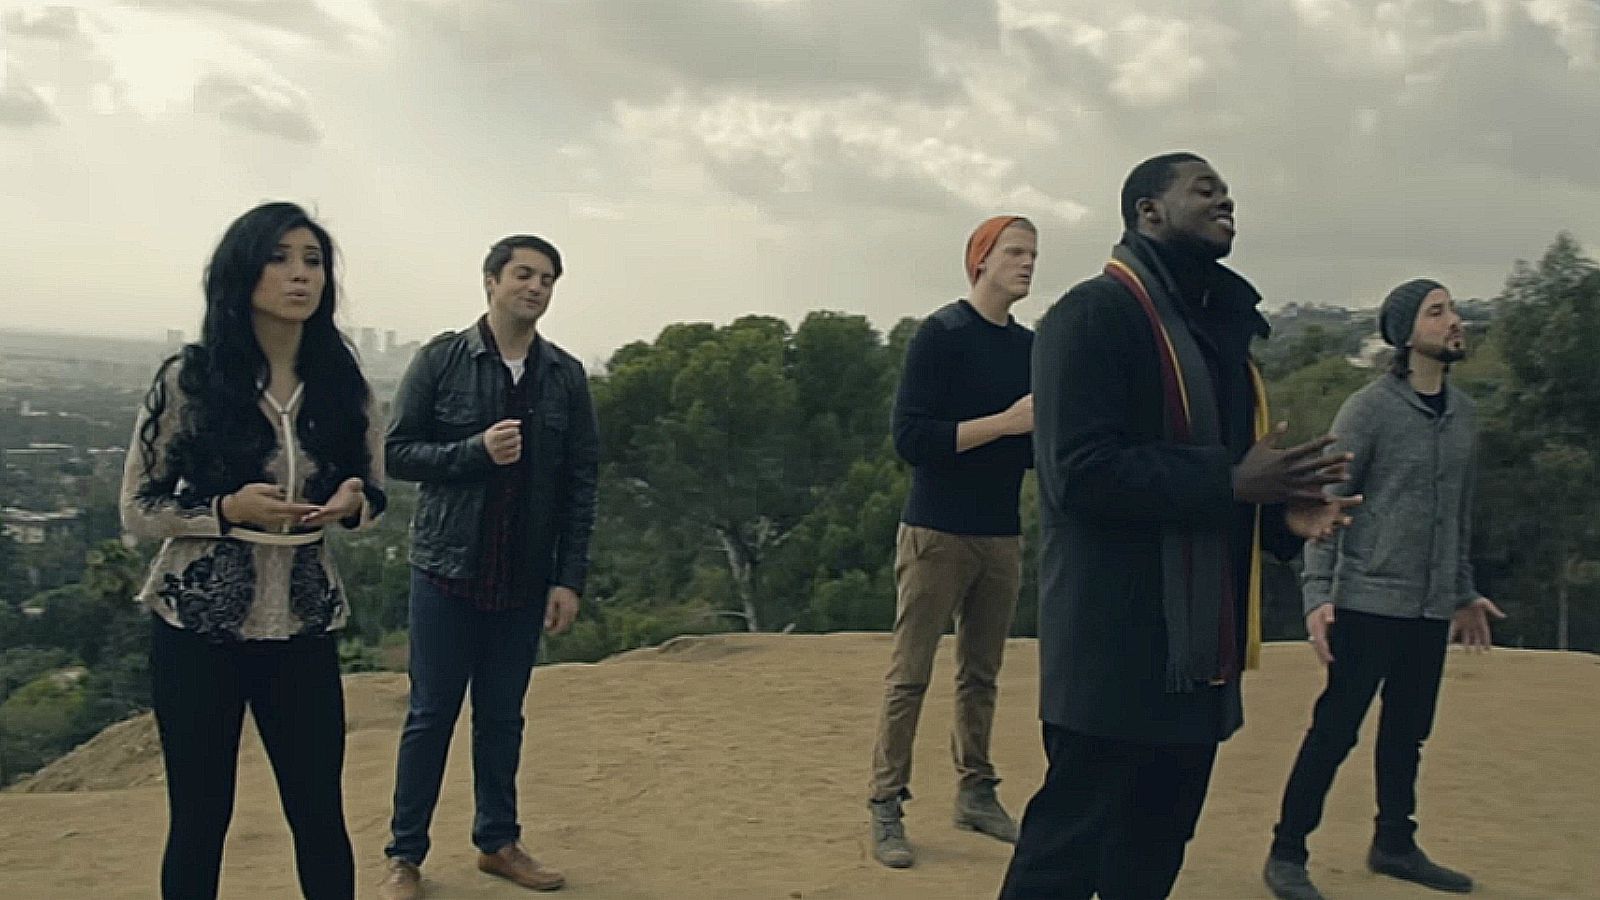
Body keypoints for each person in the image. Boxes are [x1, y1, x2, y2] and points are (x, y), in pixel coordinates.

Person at [998, 153, 1360, 899]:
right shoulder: (1090, 316)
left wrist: (1278, 516)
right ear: (1148, 212)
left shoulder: (1218, 332)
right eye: (1205, 189)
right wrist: (1231, 482)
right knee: (1062, 862)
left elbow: (1229, 482)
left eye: (1228, 190)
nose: (1227, 199)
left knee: (1151, 862)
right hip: (1112, 653)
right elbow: (1077, 474)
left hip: (1195, 662)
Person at [121, 201, 385, 900]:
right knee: (200, 818)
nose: (301, 275)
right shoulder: (190, 380)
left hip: (301, 622)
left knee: (319, 813)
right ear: (241, 274)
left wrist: (352, 502)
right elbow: (138, 507)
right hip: (197, 624)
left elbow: (374, 493)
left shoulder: (343, 385)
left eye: (313, 261)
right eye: (279, 258)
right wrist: (225, 510)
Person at [1263, 279, 1504, 900]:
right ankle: (1287, 852)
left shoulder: (1464, 415)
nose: (1454, 321)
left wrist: (1463, 592)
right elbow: (1326, 506)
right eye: (1437, 312)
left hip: (1429, 606)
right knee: (1335, 729)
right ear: (1405, 333)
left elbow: (1459, 513)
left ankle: (1394, 843)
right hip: (1366, 600)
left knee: (1408, 730)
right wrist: (1318, 596)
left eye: (1453, 309)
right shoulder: (1368, 410)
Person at [378, 234, 598, 898]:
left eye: (547, 279)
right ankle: (404, 857)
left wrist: (568, 578)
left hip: (523, 579)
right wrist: (474, 450)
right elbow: (396, 453)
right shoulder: (442, 360)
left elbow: (580, 483)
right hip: (446, 571)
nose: (536, 287)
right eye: (524, 274)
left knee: (502, 717)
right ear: (491, 281)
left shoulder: (564, 375)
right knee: (430, 716)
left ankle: (498, 843)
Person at [866, 215, 1038, 868]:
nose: (1027, 263)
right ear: (981, 260)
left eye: (1033, 254)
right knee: (910, 675)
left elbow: (1032, 449)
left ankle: (976, 792)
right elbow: (913, 440)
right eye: (1015, 252)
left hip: (1001, 534)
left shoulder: (1030, 347)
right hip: (936, 533)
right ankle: (886, 802)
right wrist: (1005, 423)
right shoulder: (940, 336)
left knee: (981, 675)